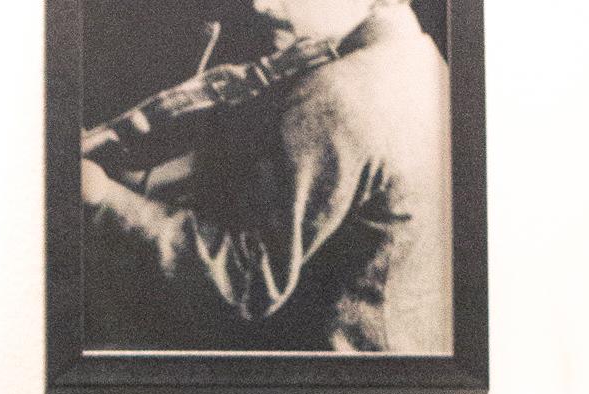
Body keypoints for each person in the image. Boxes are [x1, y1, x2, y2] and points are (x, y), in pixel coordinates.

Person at [81, 0, 452, 355]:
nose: (261, 5)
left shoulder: (335, 95)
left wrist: (103, 198)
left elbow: (244, 284)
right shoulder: (421, 60)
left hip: (325, 384)